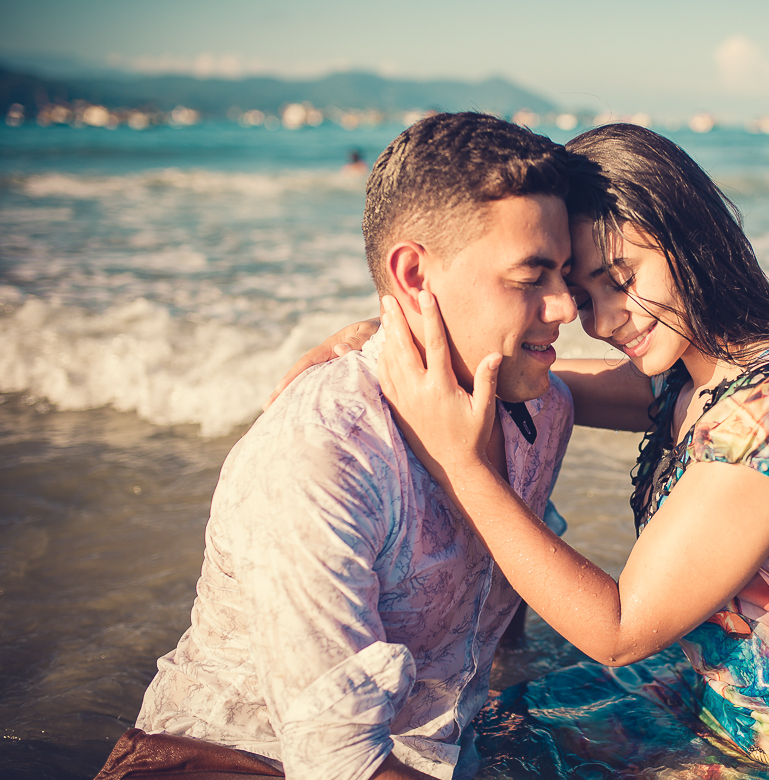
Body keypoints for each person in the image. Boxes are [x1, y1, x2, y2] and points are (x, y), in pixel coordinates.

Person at [302, 124, 769, 779]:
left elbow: (618, 631)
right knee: (488, 732)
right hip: (725, 705)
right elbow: (562, 390)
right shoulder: (695, 377)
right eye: (582, 296)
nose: (606, 320)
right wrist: (417, 343)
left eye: (621, 280)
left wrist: (461, 464)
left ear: (691, 239)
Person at [94, 112, 578, 780]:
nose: (566, 308)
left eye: (566, 274)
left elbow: (503, 581)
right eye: (532, 278)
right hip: (233, 761)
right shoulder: (322, 453)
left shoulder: (544, 409)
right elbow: (337, 763)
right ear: (412, 276)